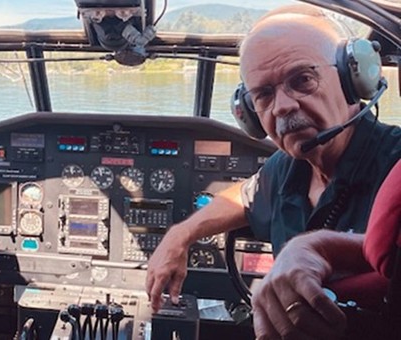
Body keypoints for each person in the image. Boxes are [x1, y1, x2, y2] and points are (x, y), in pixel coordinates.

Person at [145, 4, 401, 320]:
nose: (281, 106)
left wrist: (319, 248)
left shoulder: (396, 163)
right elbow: (242, 196)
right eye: (263, 95)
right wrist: (180, 235)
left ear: (354, 78)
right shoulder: (285, 168)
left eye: (302, 79)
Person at [252, 159, 401, 339]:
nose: (282, 128)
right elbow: (239, 198)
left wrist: (323, 246)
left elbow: (388, 252)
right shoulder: (280, 165)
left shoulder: (393, 152)